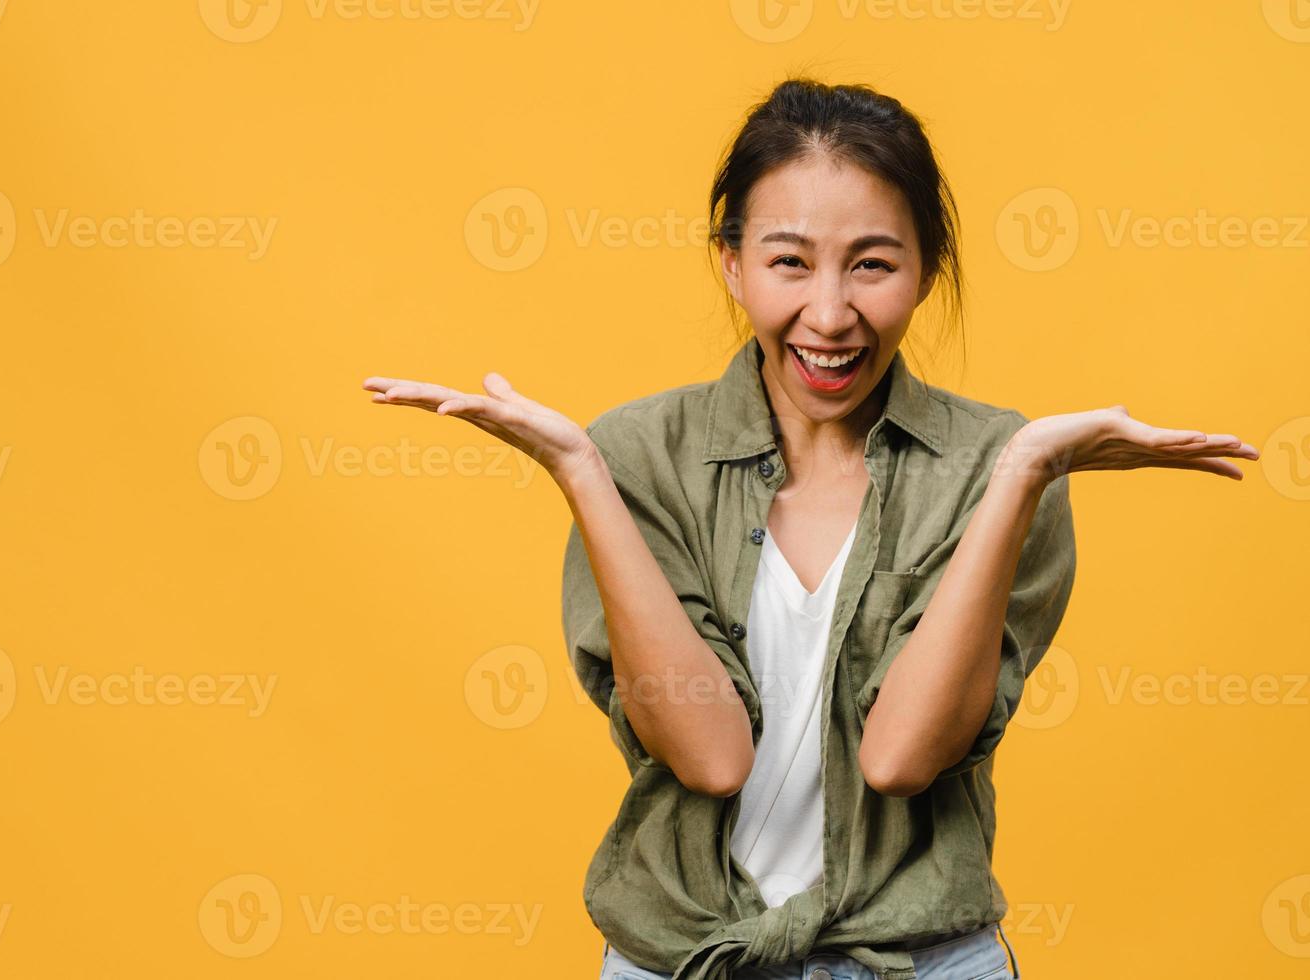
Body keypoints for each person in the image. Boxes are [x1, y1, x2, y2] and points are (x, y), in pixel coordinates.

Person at [362, 78, 1259, 980]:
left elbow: (904, 756)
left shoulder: (1001, 465)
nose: (830, 316)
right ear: (732, 262)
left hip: (922, 959)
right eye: (789, 262)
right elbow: (709, 756)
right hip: (682, 955)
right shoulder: (639, 454)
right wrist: (582, 474)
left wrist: (1022, 473)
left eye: (872, 264)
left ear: (929, 266)